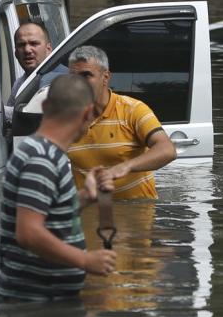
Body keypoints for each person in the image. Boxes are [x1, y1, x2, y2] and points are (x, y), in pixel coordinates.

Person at [0, 74, 117, 303]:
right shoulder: (42, 158)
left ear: (46, 106)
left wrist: (87, 197)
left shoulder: (45, 153)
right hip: (33, 304)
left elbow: (49, 218)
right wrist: (85, 261)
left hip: (47, 299)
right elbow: (29, 233)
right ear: (88, 114)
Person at [66, 45, 176, 200]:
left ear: (106, 77)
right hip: (90, 216)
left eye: (86, 75)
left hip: (136, 216)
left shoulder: (133, 110)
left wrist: (125, 167)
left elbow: (167, 150)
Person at [4, 21, 68, 120]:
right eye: (21, 45)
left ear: (48, 49)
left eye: (34, 43)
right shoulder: (20, 84)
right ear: (16, 53)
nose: (27, 50)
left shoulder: (65, 78)